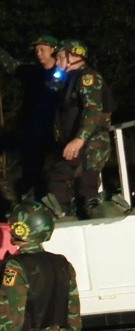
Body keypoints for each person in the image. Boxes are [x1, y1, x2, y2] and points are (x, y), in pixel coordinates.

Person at [0, 200, 81, 331]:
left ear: (20, 229)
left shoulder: (16, 267)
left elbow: (9, 319)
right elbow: (74, 314)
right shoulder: (63, 264)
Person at [0, 21, 60, 201]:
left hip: (57, 132)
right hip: (31, 130)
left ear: (53, 49)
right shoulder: (32, 71)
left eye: (42, 49)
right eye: (36, 50)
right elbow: (10, 65)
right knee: (30, 172)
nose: (38, 53)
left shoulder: (65, 71)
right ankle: (31, 208)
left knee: (57, 174)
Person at [47, 39, 112, 219]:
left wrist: (79, 139)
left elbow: (93, 110)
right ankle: (64, 215)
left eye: (60, 57)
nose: (57, 62)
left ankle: (76, 216)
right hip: (76, 142)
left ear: (74, 56)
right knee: (61, 179)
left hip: (91, 143)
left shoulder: (87, 78)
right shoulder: (68, 80)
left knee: (85, 186)